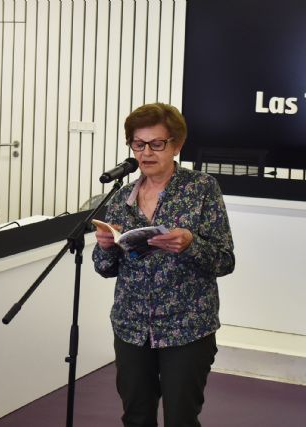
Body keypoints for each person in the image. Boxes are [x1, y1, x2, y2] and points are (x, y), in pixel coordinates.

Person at [92, 103, 235, 427]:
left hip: (186, 327)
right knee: (136, 417)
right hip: (131, 326)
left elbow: (225, 260)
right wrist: (105, 248)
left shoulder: (201, 189)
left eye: (157, 144)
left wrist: (190, 244)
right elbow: (104, 269)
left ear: (176, 145)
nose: (146, 152)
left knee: (181, 419)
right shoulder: (121, 197)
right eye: (138, 144)